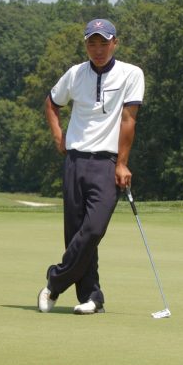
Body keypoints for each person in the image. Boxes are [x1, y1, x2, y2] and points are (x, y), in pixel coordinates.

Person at [37, 19, 144, 315]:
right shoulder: (75, 74)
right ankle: (91, 297)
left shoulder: (131, 74)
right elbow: (51, 102)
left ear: (115, 43)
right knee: (76, 233)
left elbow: (128, 120)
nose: (97, 49)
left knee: (93, 228)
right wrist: (58, 135)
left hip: (107, 163)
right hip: (75, 160)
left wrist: (122, 164)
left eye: (103, 42)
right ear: (85, 44)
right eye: (91, 43)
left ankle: (55, 280)